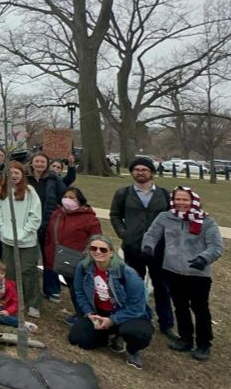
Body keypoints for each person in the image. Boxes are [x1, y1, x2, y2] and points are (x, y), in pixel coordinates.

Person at [142, 186, 223, 361]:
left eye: (185, 199)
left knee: (200, 309)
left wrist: (203, 259)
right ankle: (185, 338)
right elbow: (152, 234)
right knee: (180, 306)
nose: (181, 203)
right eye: (178, 199)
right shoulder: (165, 217)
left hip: (197, 273)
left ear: (193, 201)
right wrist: (148, 247)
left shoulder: (206, 221)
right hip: (172, 271)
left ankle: (203, 344)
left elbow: (216, 246)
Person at [109, 156, 175, 339]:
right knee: (133, 284)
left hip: (159, 248)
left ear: (151, 173)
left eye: (144, 170)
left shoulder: (164, 194)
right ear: (132, 173)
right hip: (133, 246)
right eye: (137, 170)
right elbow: (115, 215)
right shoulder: (123, 193)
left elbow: (173, 217)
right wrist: (125, 234)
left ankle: (166, 323)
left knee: (162, 287)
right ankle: (136, 317)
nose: (140, 173)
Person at [68, 235, 154, 370]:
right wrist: (89, 313)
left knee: (137, 333)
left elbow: (137, 308)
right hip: (100, 313)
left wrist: (112, 320)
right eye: (93, 248)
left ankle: (132, 349)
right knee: (77, 339)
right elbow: (79, 292)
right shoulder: (84, 267)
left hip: (127, 315)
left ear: (111, 252)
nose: (98, 252)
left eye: (103, 249)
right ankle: (105, 336)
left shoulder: (127, 273)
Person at [0, 161, 43, 319]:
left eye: (16, 173)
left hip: (26, 241)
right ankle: (13, 300)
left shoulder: (30, 192)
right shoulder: (1, 192)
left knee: (28, 271)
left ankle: (33, 303)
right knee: (10, 271)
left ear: (22, 175)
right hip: (8, 239)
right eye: (10, 173)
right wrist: (4, 229)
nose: (13, 176)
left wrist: (24, 232)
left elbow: (35, 216)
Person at [45, 187, 102, 325]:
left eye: (72, 198)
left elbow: (97, 239)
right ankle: (79, 313)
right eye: (65, 196)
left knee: (80, 288)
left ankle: (86, 315)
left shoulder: (89, 218)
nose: (68, 200)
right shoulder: (57, 214)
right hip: (61, 258)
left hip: (80, 260)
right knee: (72, 287)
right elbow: (49, 234)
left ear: (80, 201)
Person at [28, 152, 66, 302]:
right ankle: (29, 287)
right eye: (36, 161)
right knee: (29, 258)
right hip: (28, 223)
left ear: (47, 164)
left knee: (49, 257)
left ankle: (51, 289)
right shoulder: (25, 178)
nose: (39, 164)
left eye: (42, 162)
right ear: (31, 163)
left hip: (48, 222)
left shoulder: (54, 179)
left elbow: (63, 196)